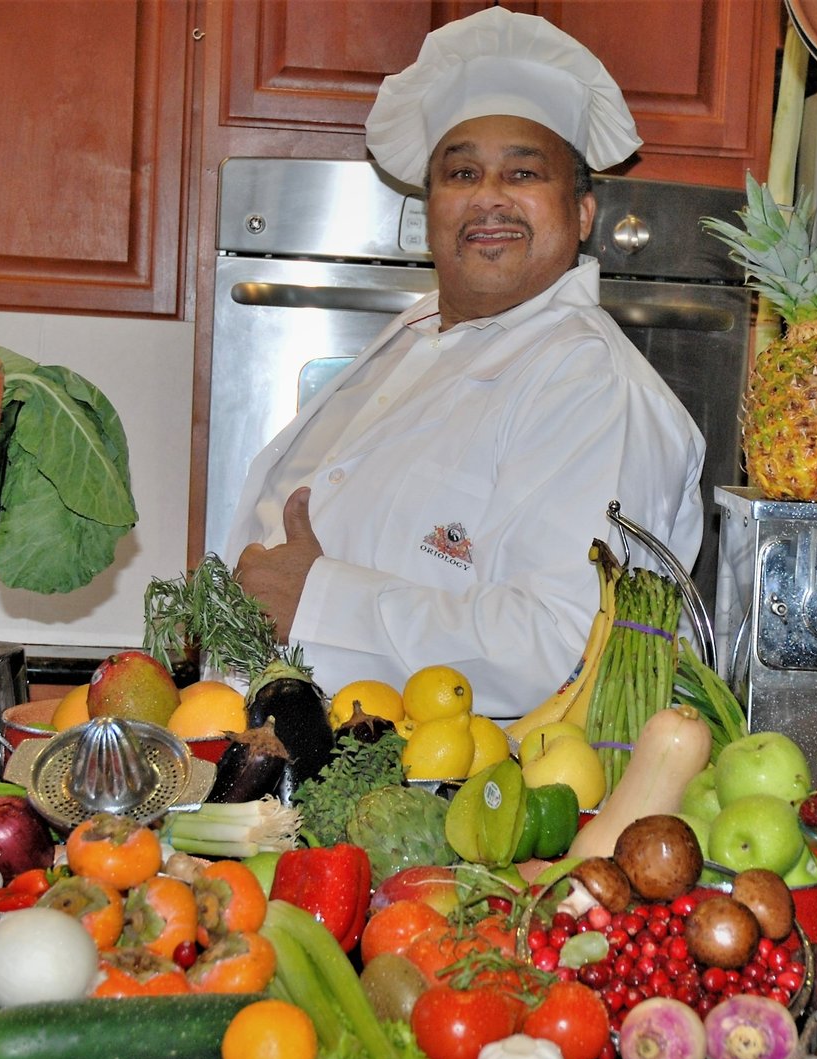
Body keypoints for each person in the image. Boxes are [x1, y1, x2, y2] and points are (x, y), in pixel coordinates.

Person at [225, 7, 705, 717]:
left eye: (523, 171)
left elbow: (563, 644)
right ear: (431, 210)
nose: (488, 196)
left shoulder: (591, 382)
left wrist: (318, 598)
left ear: (581, 214)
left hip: (468, 808)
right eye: (461, 172)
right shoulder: (417, 337)